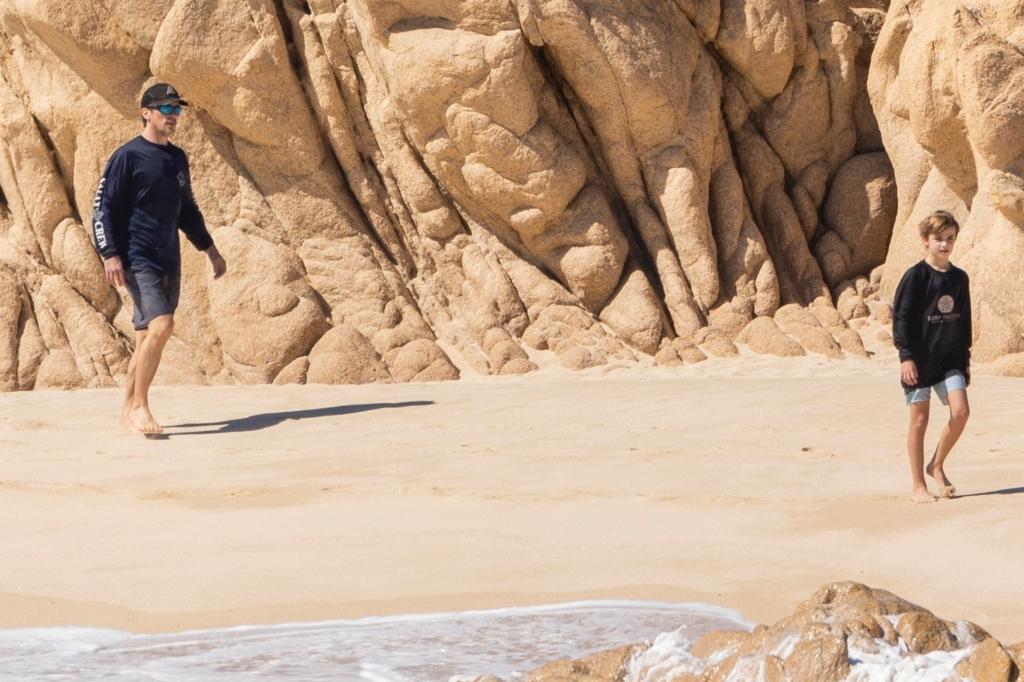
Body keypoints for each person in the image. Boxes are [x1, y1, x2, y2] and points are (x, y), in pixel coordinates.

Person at [91, 83, 227, 435]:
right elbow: (102, 208)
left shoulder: (177, 158)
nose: (174, 116)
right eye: (166, 109)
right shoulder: (128, 157)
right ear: (146, 112)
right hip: (137, 257)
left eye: (177, 110)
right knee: (162, 326)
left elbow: (188, 210)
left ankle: (126, 411)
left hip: (169, 258)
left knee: (145, 337)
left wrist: (209, 249)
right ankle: (140, 406)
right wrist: (110, 254)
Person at [892, 210, 972, 503]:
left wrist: (964, 362)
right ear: (925, 240)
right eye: (938, 239)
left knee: (961, 412)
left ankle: (936, 464)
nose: (944, 245)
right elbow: (900, 318)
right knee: (919, 421)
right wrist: (905, 357)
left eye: (949, 239)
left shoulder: (959, 278)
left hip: (950, 361)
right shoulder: (915, 277)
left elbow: (964, 322)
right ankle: (918, 486)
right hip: (919, 360)